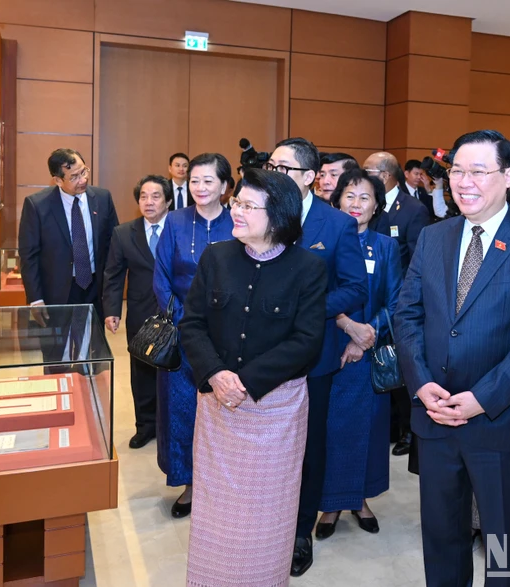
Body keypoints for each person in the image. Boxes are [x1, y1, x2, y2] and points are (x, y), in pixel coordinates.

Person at [395, 129, 510, 587]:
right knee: (443, 541)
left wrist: (482, 398)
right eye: (456, 171)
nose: (463, 181)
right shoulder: (434, 238)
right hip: (435, 417)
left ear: (509, 176)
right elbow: (407, 314)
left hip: (503, 423)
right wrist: (420, 382)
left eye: (477, 171)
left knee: (507, 553)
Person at [180, 168, 327, 587]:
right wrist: (215, 374)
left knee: (267, 514)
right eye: (237, 203)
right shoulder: (216, 257)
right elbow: (192, 324)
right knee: (217, 513)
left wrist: (243, 381)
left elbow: (306, 341)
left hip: (276, 411)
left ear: (278, 215)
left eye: (247, 205)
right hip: (217, 409)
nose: (236, 211)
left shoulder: (308, 268)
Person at [264, 137, 367, 577]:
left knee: (308, 446)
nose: (273, 175)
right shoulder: (259, 211)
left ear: (309, 177)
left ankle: (301, 531)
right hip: (260, 354)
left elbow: (354, 288)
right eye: (270, 165)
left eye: (283, 168)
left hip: (315, 357)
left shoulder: (336, 224)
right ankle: (265, 524)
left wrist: (306, 307)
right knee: (266, 444)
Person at [316, 168, 403, 539]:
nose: (356, 203)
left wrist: (367, 334)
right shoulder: (323, 241)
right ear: (336, 201)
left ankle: (360, 499)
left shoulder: (386, 247)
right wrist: (347, 328)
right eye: (349, 195)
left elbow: (397, 301)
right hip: (330, 351)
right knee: (332, 430)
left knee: (366, 430)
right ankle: (331, 504)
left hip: (369, 352)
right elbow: (314, 296)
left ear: (376, 205)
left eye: (364, 197)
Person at [153, 152, 234, 518]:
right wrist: (189, 324)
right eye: (195, 181)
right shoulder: (175, 221)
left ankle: (225, 483)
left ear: (225, 187)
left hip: (230, 336)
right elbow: (162, 279)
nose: (200, 188)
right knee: (182, 409)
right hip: (184, 334)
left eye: (208, 181)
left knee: (226, 412)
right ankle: (188, 483)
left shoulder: (239, 220)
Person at [363, 151, 430, 457]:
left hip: (399, 301)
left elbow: (417, 258)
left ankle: (406, 431)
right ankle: (389, 426)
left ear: (385, 175)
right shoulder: (367, 206)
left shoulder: (413, 209)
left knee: (398, 367)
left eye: (368, 170)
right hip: (368, 296)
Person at [102, 175, 172, 449]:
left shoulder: (180, 228)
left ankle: (170, 425)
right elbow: (114, 274)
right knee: (141, 371)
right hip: (141, 312)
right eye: (143, 196)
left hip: (175, 311)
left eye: (155, 196)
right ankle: (145, 426)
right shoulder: (123, 233)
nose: (149, 202)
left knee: (173, 370)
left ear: (168, 201)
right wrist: (111, 309)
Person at [18, 148, 119, 321]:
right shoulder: (37, 206)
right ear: (58, 180)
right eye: (74, 177)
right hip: (57, 292)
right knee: (58, 347)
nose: (83, 180)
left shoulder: (103, 198)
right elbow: (29, 256)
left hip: (95, 287)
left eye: (83, 171)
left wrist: (111, 297)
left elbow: (113, 247)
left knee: (90, 345)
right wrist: (35, 299)